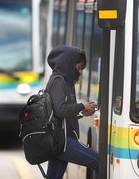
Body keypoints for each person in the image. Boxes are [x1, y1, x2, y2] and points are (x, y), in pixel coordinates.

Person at [46, 45, 99, 179]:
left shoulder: (65, 81)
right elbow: (60, 110)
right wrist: (82, 106)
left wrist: (82, 112)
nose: (79, 72)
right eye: (78, 68)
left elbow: (63, 115)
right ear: (69, 64)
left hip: (60, 139)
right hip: (62, 141)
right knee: (98, 162)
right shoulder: (58, 81)